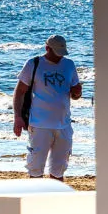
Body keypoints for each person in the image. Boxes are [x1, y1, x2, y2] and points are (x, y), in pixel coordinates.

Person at [12, 34, 82, 180]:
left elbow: (75, 95)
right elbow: (19, 92)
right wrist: (17, 117)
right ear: (47, 48)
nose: (59, 57)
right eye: (56, 53)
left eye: (61, 53)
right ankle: (36, 194)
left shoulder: (69, 65)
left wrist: (77, 93)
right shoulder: (33, 64)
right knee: (35, 169)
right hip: (39, 125)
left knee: (59, 171)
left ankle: (55, 194)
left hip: (64, 125)